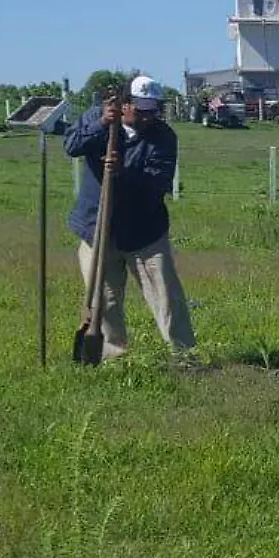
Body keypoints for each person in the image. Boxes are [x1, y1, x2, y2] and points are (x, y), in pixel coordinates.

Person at [63, 74, 195, 356]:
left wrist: (123, 171)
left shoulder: (163, 136)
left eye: (153, 109)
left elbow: (157, 183)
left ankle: (185, 357)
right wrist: (102, 125)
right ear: (124, 105)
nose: (149, 116)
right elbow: (72, 146)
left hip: (144, 232)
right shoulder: (96, 118)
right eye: (142, 109)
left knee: (167, 297)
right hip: (96, 227)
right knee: (105, 300)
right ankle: (114, 357)